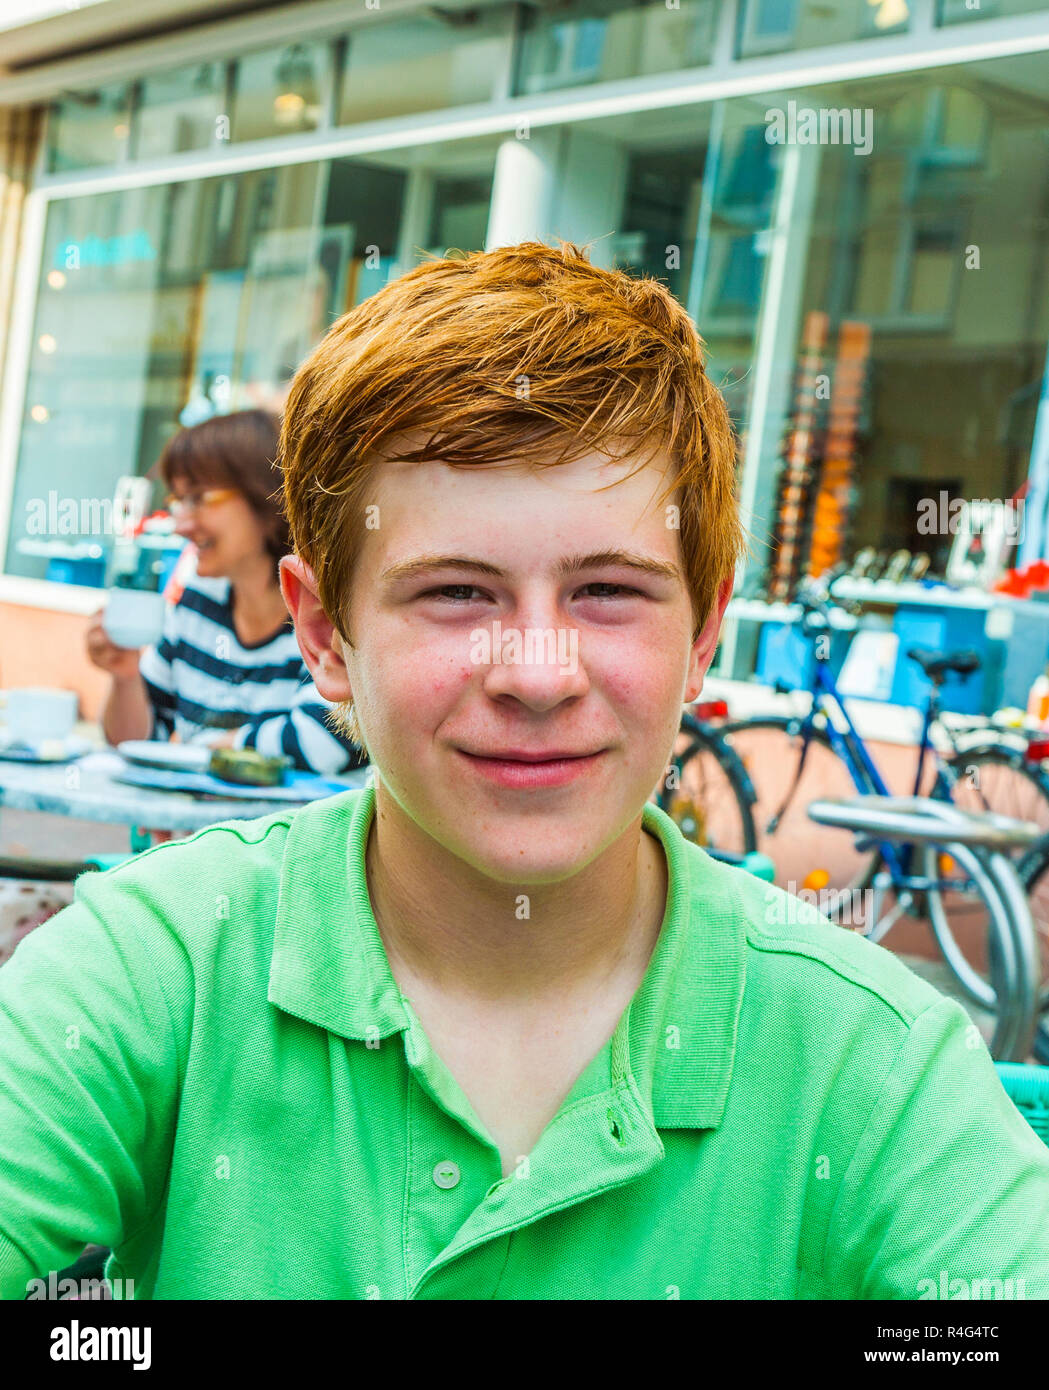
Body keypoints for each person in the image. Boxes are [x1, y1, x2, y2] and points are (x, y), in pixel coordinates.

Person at [2, 241, 1049, 1301]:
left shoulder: (863, 1059)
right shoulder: (161, 967)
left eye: (607, 590)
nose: (538, 674)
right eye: (456, 592)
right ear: (323, 634)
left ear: (703, 634)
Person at [84, 409, 368, 777]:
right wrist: (125, 676)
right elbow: (136, 741)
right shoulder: (199, 600)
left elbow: (322, 743)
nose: (180, 525)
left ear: (266, 498)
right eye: (178, 501)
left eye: (199, 499)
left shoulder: (323, 611)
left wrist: (205, 749)